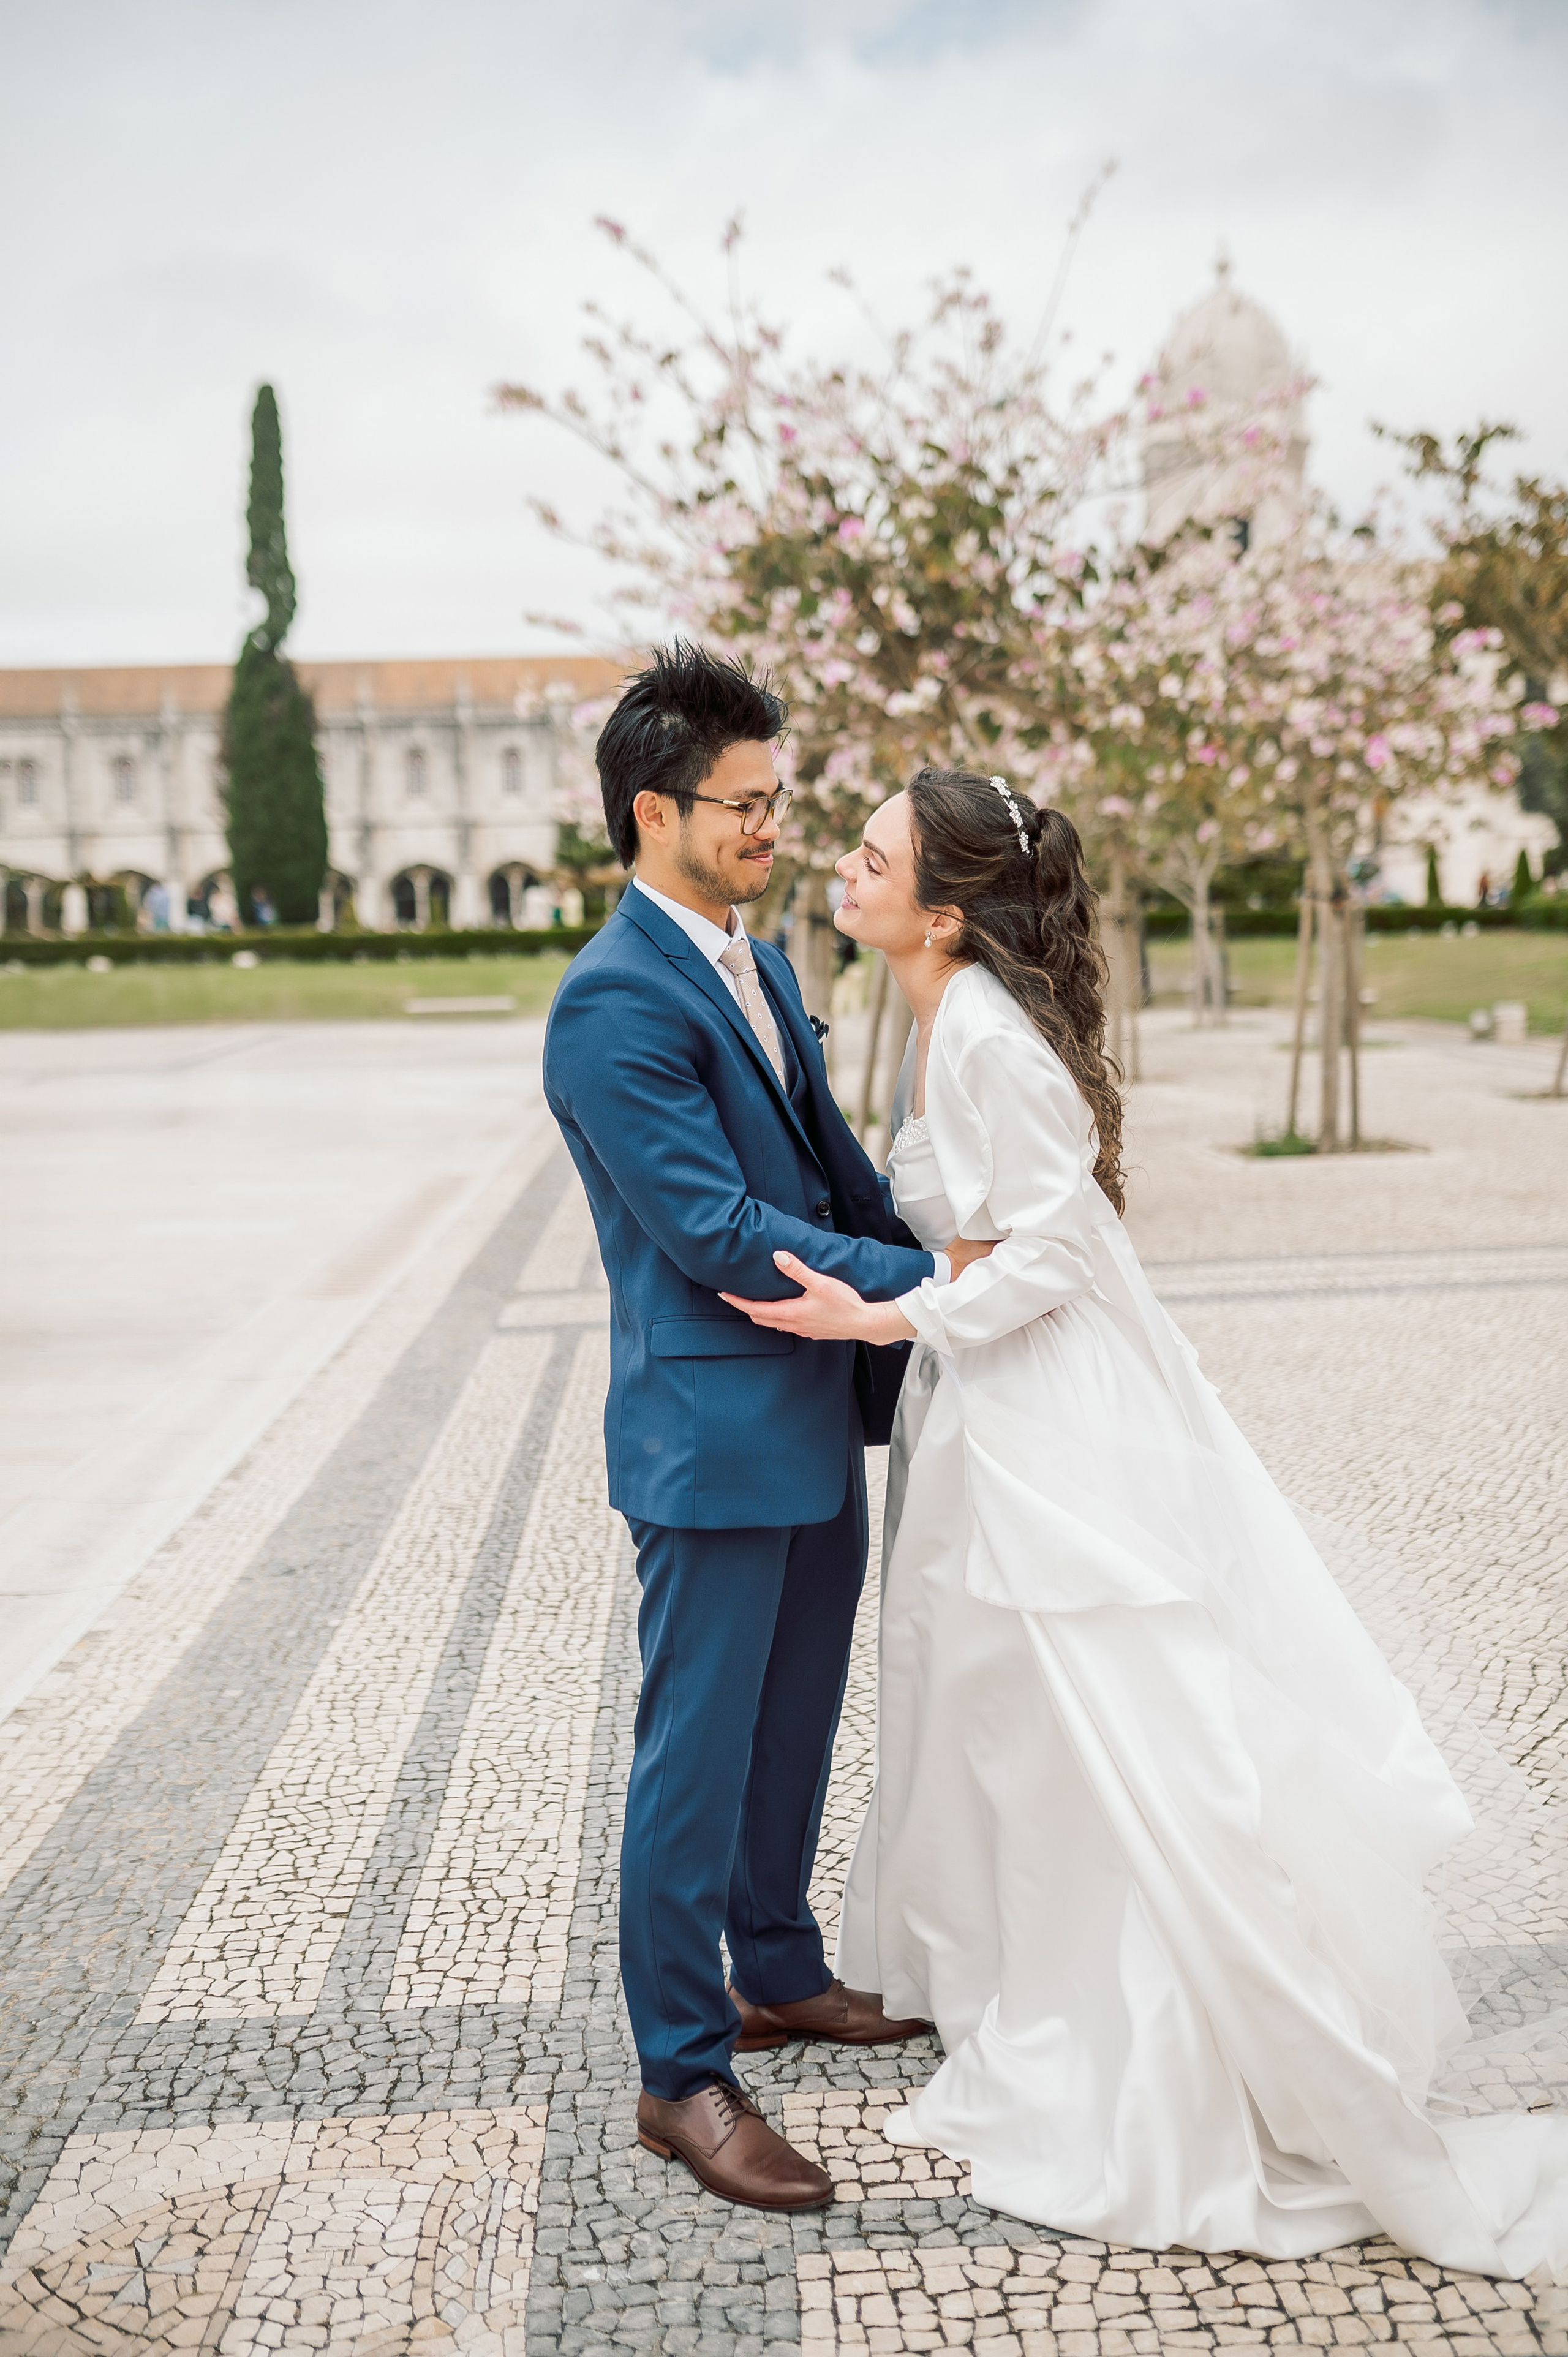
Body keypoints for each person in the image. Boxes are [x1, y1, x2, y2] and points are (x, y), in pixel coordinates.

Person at [721, 764, 1568, 2277]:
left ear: (944, 909)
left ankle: (1151, 2050)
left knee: (1115, 1725)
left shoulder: (980, 1034)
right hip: (990, 1403)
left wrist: (882, 1313)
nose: (841, 868)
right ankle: (1042, 1997)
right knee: (1016, 1721)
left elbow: (1045, 1249)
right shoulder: (945, 1018)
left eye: (869, 855)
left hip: (1044, 1420)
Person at [541, 647, 995, 2214]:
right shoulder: (609, 1003)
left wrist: (948, 1252)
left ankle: (776, 1970)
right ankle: (681, 2072)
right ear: (652, 810)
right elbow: (726, 1230)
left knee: (797, 1713)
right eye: (744, 804)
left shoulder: (757, 954)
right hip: (709, 1434)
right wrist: (932, 1276)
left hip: (812, 1406)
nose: (772, 828)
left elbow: (825, 1173)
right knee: (694, 1748)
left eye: (779, 799)